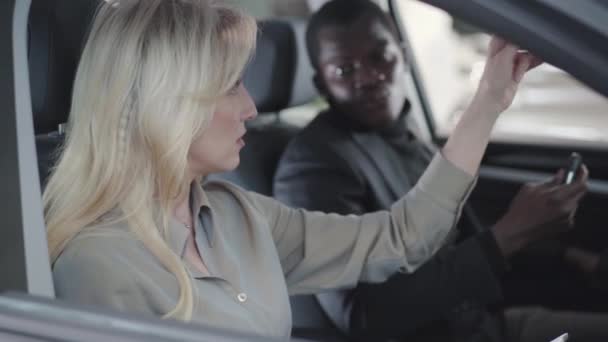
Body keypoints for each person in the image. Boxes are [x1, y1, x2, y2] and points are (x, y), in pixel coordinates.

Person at [46, 0, 543, 339]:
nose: (250, 106)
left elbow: (399, 238)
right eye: (230, 85)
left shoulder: (238, 216)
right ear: (166, 104)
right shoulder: (98, 267)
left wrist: (490, 99)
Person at [273, 0, 608, 341]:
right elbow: (362, 316)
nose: (370, 77)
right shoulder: (313, 165)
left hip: (484, 324)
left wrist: (570, 255)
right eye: (345, 70)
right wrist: (508, 235)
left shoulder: (404, 132)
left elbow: (456, 237)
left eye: (379, 56)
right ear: (321, 84)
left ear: (403, 54)